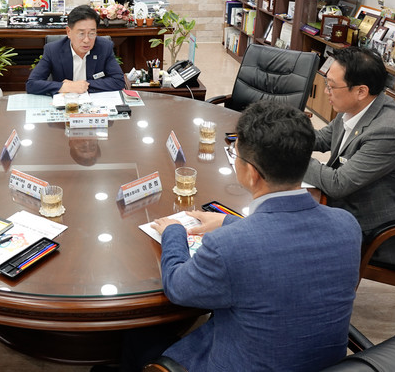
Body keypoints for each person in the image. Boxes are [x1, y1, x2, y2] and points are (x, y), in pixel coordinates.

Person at [149, 101, 361, 371]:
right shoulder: (347, 225)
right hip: (319, 362)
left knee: (140, 341)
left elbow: (178, 288)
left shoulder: (228, 246)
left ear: (251, 173)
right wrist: (229, 221)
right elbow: (284, 247)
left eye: (235, 154)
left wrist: (173, 231)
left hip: (244, 362)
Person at [303, 46, 395, 267]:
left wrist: (289, 158)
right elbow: (322, 138)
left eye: (331, 86)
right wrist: (280, 135)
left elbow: (338, 184)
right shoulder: (357, 107)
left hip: (380, 228)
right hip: (353, 200)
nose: (326, 91)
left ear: (361, 91)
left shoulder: (389, 130)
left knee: (292, 229)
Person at [26, 4, 125, 95]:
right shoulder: (53, 50)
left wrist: (83, 86)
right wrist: (65, 87)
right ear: (69, 32)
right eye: (81, 34)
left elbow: (118, 81)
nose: (86, 40)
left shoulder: (104, 47)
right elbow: (32, 84)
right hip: (65, 103)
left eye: (92, 33)